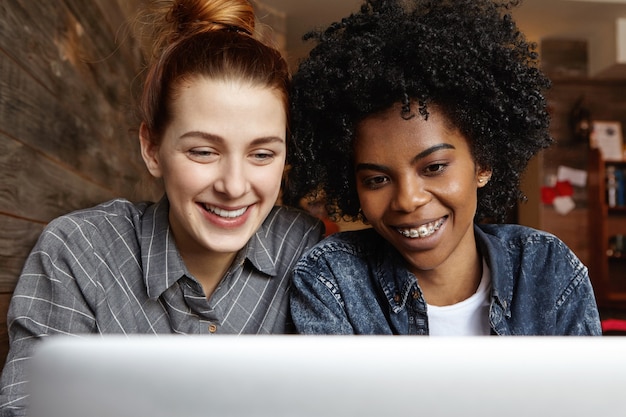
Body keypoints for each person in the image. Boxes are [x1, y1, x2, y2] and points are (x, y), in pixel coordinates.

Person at [0, 0, 323, 414]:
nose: (234, 186)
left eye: (262, 155)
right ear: (152, 148)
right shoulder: (79, 253)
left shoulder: (304, 248)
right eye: (204, 151)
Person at [286, 0, 602, 335]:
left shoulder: (546, 268)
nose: (407, 200)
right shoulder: (332, 279)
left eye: (434, 167)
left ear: (483, 162)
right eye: (377, 179)